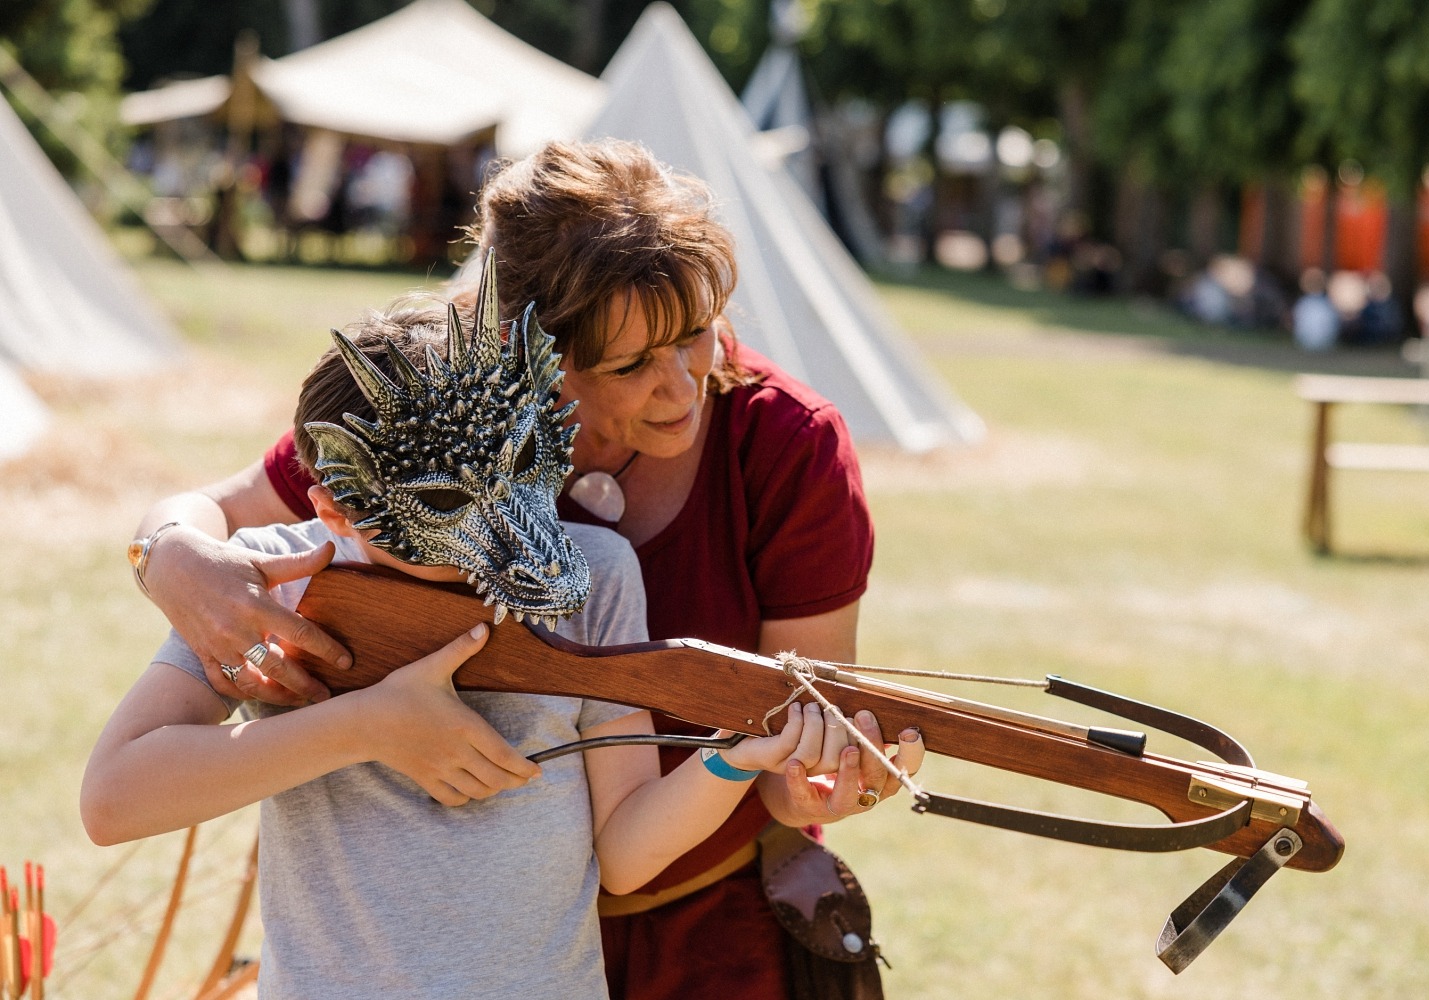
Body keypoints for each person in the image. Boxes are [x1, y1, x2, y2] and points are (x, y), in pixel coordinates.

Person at [127, 138, 921, 999]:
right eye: (630, 365)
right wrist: (169, 556)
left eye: (697, 335)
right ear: (524, 358)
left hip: (700, 924)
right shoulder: (447, 406)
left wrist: (805, 783)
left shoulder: (784, 443)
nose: (684, 387)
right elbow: (236, 512)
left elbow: (800, 725)